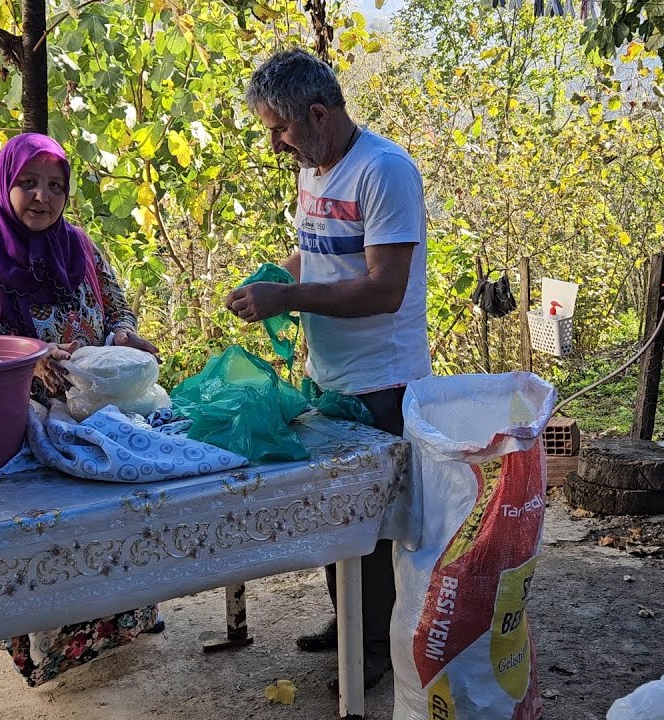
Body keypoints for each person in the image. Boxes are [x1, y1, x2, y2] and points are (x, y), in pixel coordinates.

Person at [226, 48, 432, 690]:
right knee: (335, 509)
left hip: (383, 380)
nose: (275, 143)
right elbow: (317, 250)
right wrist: (278, 275)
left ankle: (373, 648)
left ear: (319, 113)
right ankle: (349, 623)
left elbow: (383, 288)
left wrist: (288, 299)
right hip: (330, 374)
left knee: (371, 522)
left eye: (280, 128)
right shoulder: (315, 167)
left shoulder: (385, 171)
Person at [0, 132, 162, 687]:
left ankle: (124, 619)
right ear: (2, 183)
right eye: (28, 183)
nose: (42, 198)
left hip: (93, 413)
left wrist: (123, 335)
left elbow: (114, 304)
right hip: (14, 432)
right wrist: (23, 364)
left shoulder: (77, 245)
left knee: (123, 510)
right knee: (45, 539)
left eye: (55, 186)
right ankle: (51, 646)